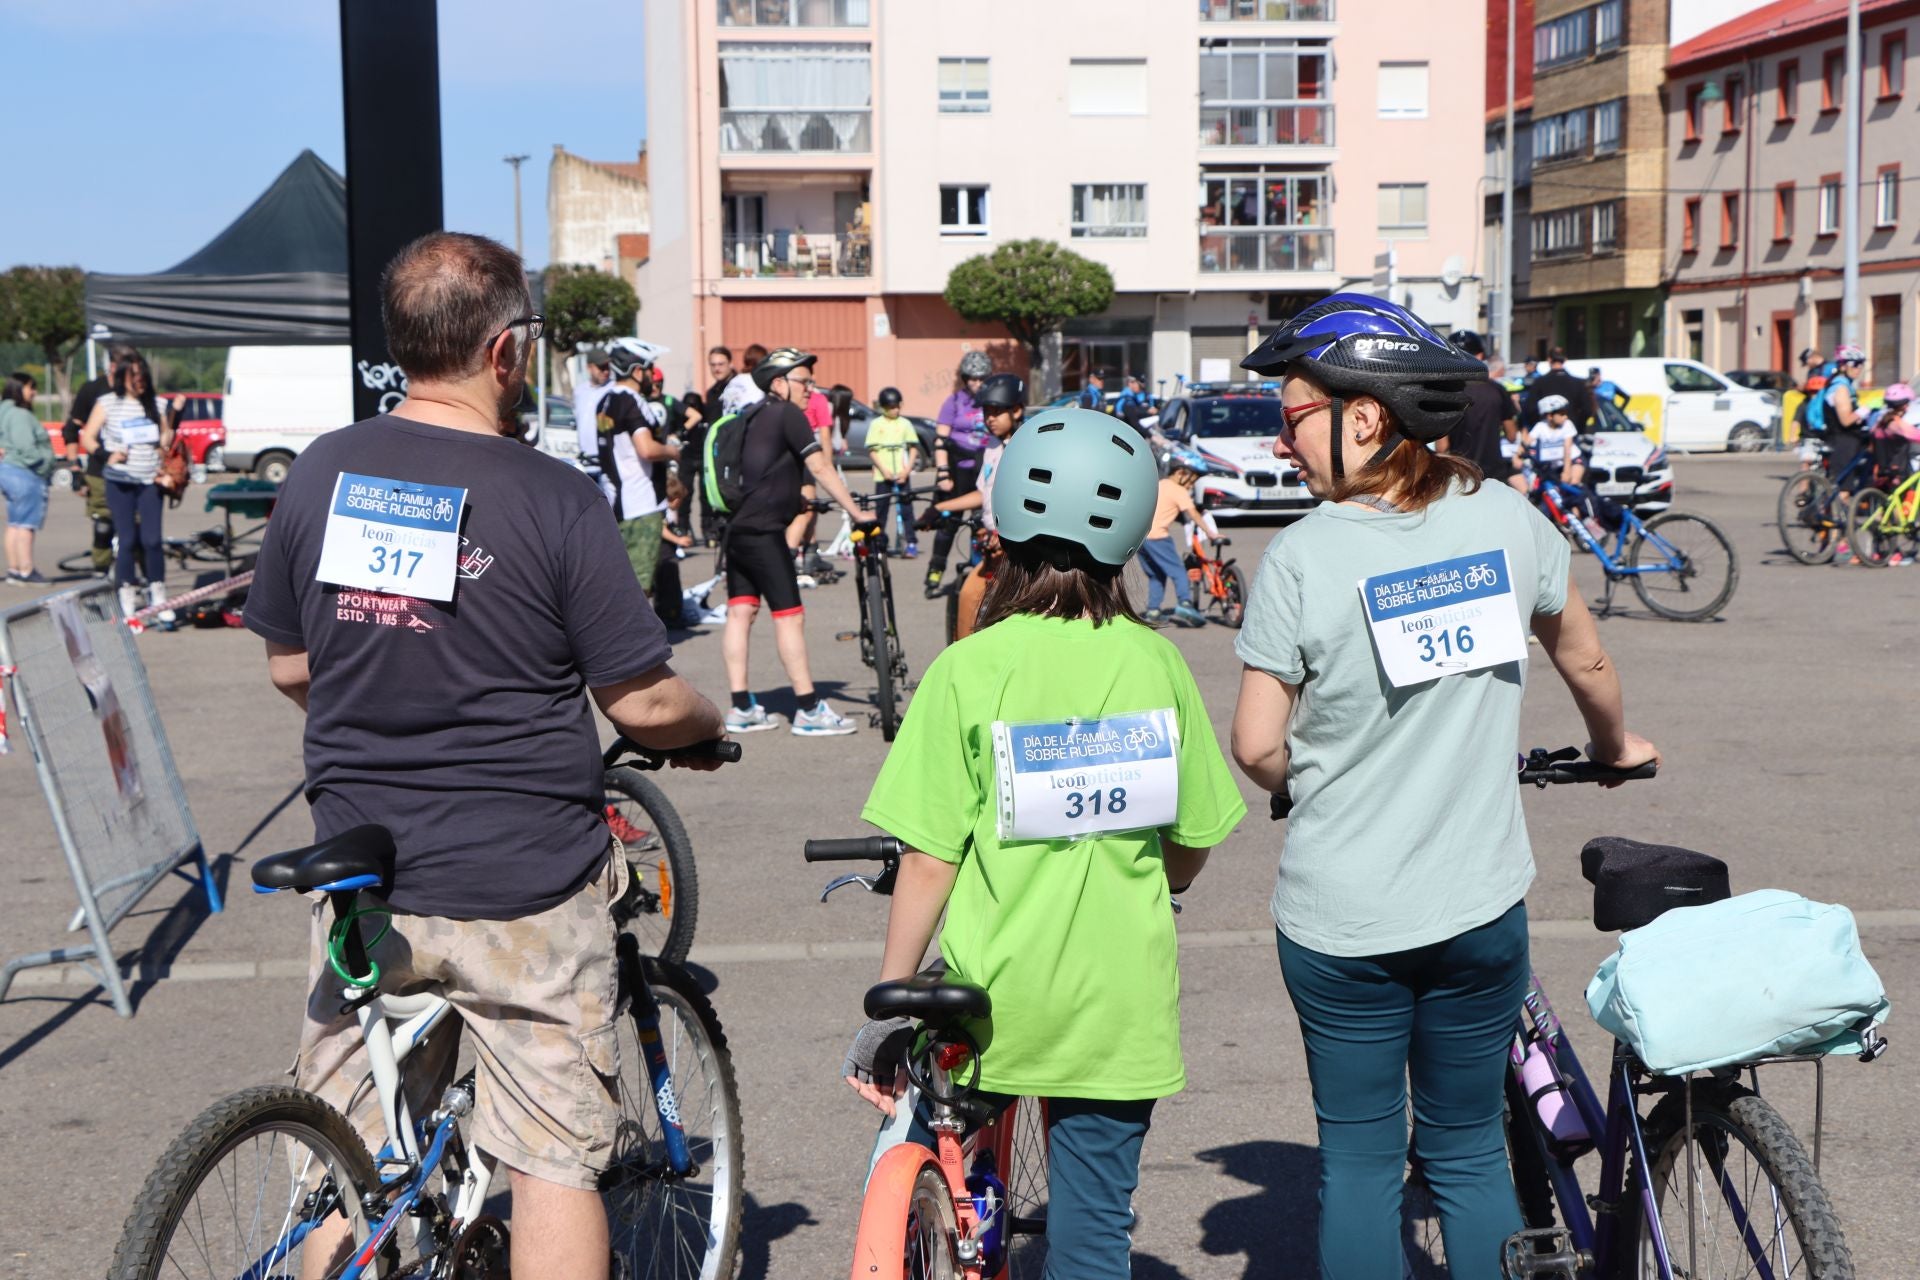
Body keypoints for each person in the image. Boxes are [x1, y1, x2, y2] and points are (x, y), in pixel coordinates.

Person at [241, 231, 729, 1280]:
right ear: (505, 352)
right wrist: (709, 725)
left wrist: (395, 680)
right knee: (553, 1156)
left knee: (351, 1160)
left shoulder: (324, 467)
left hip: (367, 872)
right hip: (521, 882)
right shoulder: (553, 497)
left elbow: (290, 667)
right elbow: (642, 696)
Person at [1226, 293, 1657, 1279]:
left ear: (1364, 416)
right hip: (1476, 906)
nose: (1281, 440)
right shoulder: (1505, 517)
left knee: (1364, 1162)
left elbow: (1255, 746)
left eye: (1291, 417)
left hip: (1344, 923)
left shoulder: (1301, 555)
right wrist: (1616, 743)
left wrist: (1311, 778)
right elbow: (1586, 660)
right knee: (1468, 1150)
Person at [842, 405, 1247, 1276]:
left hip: (991, 999)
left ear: (1005, 524)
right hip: (1116, 1004)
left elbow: (927, 857)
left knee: (945, 1152)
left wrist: (889, 991)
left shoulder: (967, 669)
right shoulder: (1156, 665)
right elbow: (1192, 840)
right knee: (1093, 1233)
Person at [719, 346, 872, 737]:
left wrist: (795, 497)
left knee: (740, 613)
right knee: (790, 616)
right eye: (804, 381)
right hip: (765, 532)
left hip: (736, 531)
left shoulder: (750, 416)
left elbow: (761, 473)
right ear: (779, 383)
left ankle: (741, 708)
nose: (811, 389)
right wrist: (855, 512)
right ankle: (807, 709)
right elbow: (819, 464)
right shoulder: (787, 413)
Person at [918, 371, 1027, 640]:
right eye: (986, 412)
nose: (989, 418)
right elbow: (983, 493)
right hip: (993, 546)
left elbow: (1030, 503)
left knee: (1010, 613)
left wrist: (1004, 536)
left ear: (1016, 410)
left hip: (1020, 552)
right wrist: (942, 508)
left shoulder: (1027, 447)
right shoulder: (991, 446)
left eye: (997, 411)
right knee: (967, 598)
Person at [80, 352, 180, 617]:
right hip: (119, 480)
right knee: (126, 540)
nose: (139, 380)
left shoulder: (156, 404)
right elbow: (87, 437)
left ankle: (158, 596)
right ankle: (126, 596)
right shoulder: (107, 403)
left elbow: (165, 439)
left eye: (142, 375)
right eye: (133, 375)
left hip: (150, 479)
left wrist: (175, 417)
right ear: (122, 376)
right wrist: (106, 454)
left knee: (152, 540)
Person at [596, 338, 677, 593]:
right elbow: (646, 449)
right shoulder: (632, 400)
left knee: (620, 586)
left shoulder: (605, 401)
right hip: (640, 503)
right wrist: (674, 452)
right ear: (637, 371)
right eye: (649, 369)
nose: (653, 376)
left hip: (616, 501)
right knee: (640, 590)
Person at [925, 350, 994, 595]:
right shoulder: (954, 402)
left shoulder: (991, 402)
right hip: (955, 468)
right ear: (965, 379)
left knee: (982, 524)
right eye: (971, 378)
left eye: (980, 378)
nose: (976, 383)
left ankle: (981, 572)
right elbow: (941, 440)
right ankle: (934, 573)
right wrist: (943, 472)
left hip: (982, 470)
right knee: (948, 524)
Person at [66, 343, 136, 577]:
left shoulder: (138, 389)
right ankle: (100, 574)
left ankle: (138, 577)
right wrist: (75, 468)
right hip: (100, 471)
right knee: (104, 526)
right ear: (113, 366)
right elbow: (71, 429)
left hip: (136, 471)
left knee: (135, 528)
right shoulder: (92, 390)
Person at [1442, 330, 1527, 496]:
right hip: (1493, 474)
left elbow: (1442, 446)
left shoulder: (1446, 391)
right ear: (1480, 356)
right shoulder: (1497, 390)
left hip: (1459, 475)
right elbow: (1511, 435)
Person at [1137, 461, 1215, 628]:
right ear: (1181, 473)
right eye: (1191, 481)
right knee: (1178, 571)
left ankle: (1153, 611)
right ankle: (1185, 603)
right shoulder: (1178, 490)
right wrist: (1210, 532)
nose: (1191, 485)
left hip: (1140, 538)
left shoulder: (1159, 484)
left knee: (1156, 574)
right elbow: (1192, 512)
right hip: (1158, 537)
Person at [0, 371, 55, 584]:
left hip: (8, 470)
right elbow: (26, 447)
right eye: (31, 387)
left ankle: (14, 569)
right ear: (19, 389)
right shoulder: (20, 415)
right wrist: (44, 463)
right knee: (26, 524)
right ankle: (26, 569)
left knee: (14, 523)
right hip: (24, 472)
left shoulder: (4, 411)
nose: (34, 392)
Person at [865, 386, 920, 556]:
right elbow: (872, 451)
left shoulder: (905, 424)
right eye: (890, 408)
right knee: (881, 509)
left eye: (897, 407)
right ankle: (879, 540)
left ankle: (910, 541)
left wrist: (907, 470)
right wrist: (884, 470)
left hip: (902, 472)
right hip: (884, 474)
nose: (894, 410)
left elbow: (913, 448)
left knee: (906, 508)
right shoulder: (876, 424)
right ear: (883, 407)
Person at [1813, 345, 1871, 492]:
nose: (1859, 368)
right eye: (1855, 364)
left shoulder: (1845, 385)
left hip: (1844, 436)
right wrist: (1863, 411)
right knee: (1844, 488)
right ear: (1843, 366)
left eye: (1861, 365)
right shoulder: (1841, 388)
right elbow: (1845, 420)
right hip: (1843, 439)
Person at [1521, 348, 1593, 430]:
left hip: (1546, 434)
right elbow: (1587, 410)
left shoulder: (1539, 383)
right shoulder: (1578, 383)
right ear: (1565, 360)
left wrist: (1541, 426)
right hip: (1570, 434)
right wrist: (1576, 425)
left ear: (1549, 360)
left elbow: (1530, 410)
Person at [1525, 394, 1586, 487]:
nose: (1566, 417)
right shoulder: (1540, 426)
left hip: (1572, 460)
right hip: (1551, 464)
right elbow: (1527, 442)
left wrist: (1567, 471)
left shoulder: (1567, 425)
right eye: (1561, 414)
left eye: (1566, 413)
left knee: (1572, 484)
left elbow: (1567, 449)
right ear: (1549, 416)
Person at [572, 348, 612, 461]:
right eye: (601, 367)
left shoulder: (613, 389)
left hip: (606, 459)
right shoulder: (579, 391)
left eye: (608, 367)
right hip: (585, 459)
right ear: (589, 367)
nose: (606, 371)